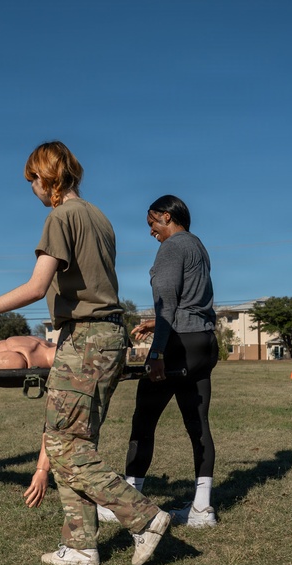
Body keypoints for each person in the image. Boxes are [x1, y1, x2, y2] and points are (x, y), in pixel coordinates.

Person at [0, 141, 171, 565]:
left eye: (32, 181)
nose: (32, 189)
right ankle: (81, 545)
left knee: (63, 446)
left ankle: (144, 517)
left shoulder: (60, 216)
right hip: (105, 338)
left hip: (86, 338)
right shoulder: (99, 217)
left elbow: (35, 286)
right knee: (76, 441)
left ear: (48, 178)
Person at [98, 195, 219, 528]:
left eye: (152, 223)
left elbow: (167, 303)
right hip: (205, 341)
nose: (151, 231)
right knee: (199, 426)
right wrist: (157, 324)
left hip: (180, 345)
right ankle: (202, 510)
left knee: (144, 419)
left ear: (166, 216)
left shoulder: (171, 247)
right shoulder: (198, 246)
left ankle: (126, 505)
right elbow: (190, 303)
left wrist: (157, 353)